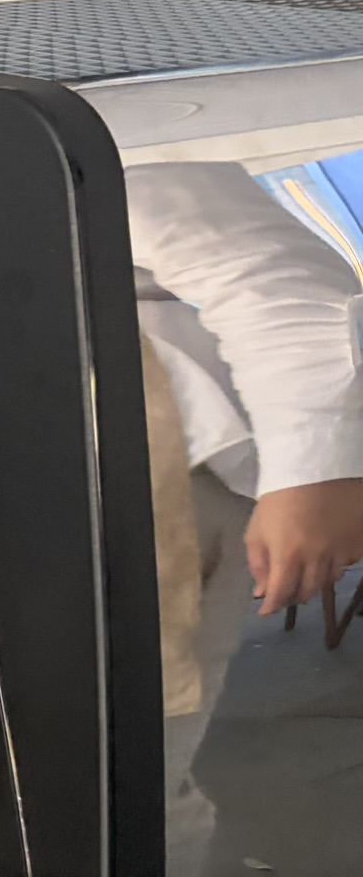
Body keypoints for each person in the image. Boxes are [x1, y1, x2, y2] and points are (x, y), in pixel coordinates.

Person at [125, 160, 363, 868]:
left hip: (153, 470)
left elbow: (273, 279)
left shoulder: (73, 92)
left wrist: (314, 474)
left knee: (131, 775)